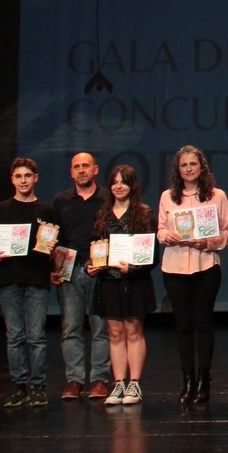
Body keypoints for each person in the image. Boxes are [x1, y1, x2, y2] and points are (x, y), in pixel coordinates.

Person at [157, 145, 228, 405]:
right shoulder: (167, 197)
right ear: (178, 170)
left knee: (204, 323)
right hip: (174, 267)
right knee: (183, 325)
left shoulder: (217, 196)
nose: (188, 169)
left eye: (193, 164)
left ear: (202, 167)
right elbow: (160, 229)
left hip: (206, 265)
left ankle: (204, 380)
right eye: (184, 165)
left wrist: (208, 242)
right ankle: (187, 379)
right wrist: (166, 235)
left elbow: (226, 233)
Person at [0, 157, 54, 407]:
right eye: (19, 176)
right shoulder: (0, 209)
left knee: (36, 336)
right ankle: (18, 386)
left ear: (36, 178)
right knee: (15, 336)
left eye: (27, 176)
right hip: (7, 278)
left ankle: (38, 386)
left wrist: (52, 247)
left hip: (37, 279)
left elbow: (52, 244)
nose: (23, 180)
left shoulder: (46, 210)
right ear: (12, 179)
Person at [90, 164, 157, 406]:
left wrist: (133, 268)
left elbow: (151, 255)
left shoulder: (144, 213)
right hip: (109, 281)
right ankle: (119, 383)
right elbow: (96, 248)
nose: (118, 186)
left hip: (134, 282)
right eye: (115, 182)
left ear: (132, 186)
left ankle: (134, 384)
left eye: (124, 182)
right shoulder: (103, 215)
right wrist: (92, 265)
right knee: (115, 333)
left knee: (133, 330)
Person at [52, 151, 111, 400]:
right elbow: (53, 237)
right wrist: (53, 267)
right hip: (69, 270)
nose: (82, 170)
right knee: (71, 328)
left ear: (95, 170)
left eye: (86, 165)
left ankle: (99, 379)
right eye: (77, 167)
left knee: (101, 328)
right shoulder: (61, 200)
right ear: (71, 172)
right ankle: (74, 380)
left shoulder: (107, 198)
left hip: (99, 269)